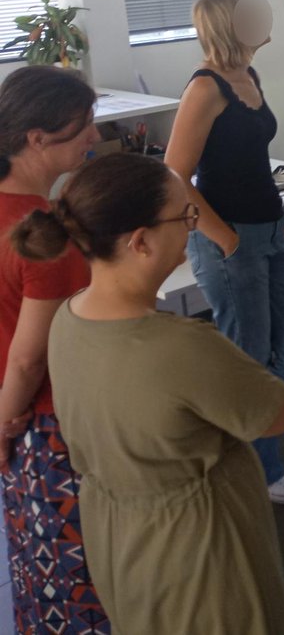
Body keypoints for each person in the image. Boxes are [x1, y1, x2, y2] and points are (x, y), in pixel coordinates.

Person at [13, 152, 284, 634]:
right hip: (196, 556)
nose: (192, 226)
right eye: (185, 216)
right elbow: (278, 413)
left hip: (116, 541)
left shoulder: (68, 318)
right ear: (141, 242)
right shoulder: (180, 347)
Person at [166, 0, 284, 505]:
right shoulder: (206, 86)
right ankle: (261, 470)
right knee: (249, 360)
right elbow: (174, 175)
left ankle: (232, 438)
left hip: (272, 230)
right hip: (229, 240)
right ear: (229, 24)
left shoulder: (247, 76)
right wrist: (227, 241)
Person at [0, 67, 109, 634]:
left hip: (13, 416)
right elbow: (29, 357)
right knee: (74, 579)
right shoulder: (44, 236)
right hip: (43, 423)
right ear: (36, 139)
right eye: (82, 126)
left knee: (30, 557)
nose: (94, 135)